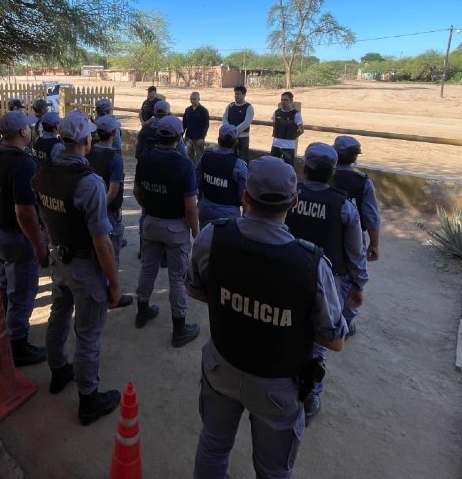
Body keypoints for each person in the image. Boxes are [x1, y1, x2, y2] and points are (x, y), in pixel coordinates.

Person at [188, 156, 347, 479]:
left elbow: (195, 290)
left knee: (213, 446)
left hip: (222, 367)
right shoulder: (311, 263)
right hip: (278, 385)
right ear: (294, 202)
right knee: (273, 470)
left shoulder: (212, 237)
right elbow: (335, 339)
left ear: (245, 197)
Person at [33, 111, 124, 425]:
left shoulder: (43, 171)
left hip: (59, 258)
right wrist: (113, 282)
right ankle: (89, 399)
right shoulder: (89, 182)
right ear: (87, 140)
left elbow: (44, 215)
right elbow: (102, 240)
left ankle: (59, 371)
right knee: (87, 334)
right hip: (85, 265)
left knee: (59, 314)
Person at [285, 142, 368, 424]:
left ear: (304, 167)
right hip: (329, 281)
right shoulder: (343, 206)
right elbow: (356, 251)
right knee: (319, 340)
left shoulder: (289, 194)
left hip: (290, 271)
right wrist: (358, 283)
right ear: (333, 171)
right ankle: (310, 395)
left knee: (289, 327)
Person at [0, 111, 47, 366]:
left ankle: (5, 330)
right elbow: (25, 211)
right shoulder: (23, 164)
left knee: (6, 285)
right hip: (15, 238)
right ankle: (17, 346)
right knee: (22, 292)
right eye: (29, 128)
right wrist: (38, 244)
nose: (31, 131)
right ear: (22, 132)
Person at [133, 115, 201, 347]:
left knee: (148, 268)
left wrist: (150, 207)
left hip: (151, 223)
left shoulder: (145, 159)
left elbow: (137, 193)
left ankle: (142, 309)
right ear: (179, 137)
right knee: (177, 278)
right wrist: (196, 232)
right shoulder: (184, 164)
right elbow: (190, 206)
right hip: (175, 228)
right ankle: (179, 328)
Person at [87, 114, 133, 307]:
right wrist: (99, 210)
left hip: (90, 207)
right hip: (108, 211)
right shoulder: (114, 157)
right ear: (114, 133)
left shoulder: (89, 152)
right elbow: (113, 191)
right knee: (111, 252)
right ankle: (111, 293)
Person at [331, 135, 381, 265]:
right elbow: (372, 217)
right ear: (355, 157)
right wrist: (374, 244)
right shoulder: (363, 182)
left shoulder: (325, 176)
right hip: (354, 236)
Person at [195, 124, 247, 228]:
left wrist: (200, 199)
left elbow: (197, 181)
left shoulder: (205, 157)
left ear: (219, 140)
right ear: (235, 142)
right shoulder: (239, 164)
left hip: (206, 207)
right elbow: (243, 195)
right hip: (228, 212)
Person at [270, 91, 304, 165]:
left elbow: (301, 130)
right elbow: (274, 125)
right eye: (282, 100)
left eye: (285, 100)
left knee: (289, 167)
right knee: (272, 165)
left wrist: (293, 136)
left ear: (291, 101)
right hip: (276, 144)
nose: (283, 102)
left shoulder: (296, 114)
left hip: (289, 146)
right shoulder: (277, 112)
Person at [222, 86, 254, 163]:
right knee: (230, 158)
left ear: (244, 95)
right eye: (235, 94)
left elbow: (247, 122)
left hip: (243, 138)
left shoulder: (249, 107)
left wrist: (234, 130)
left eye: (238, 94)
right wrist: (229, 129)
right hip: (231, 137)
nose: (236, 96)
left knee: (243, 159)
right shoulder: (230, 106)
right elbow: (224, 118)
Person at [183, 92, 210, 163]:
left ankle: (198, 172)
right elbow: (184, 124)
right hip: (188, 137)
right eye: (191, 99)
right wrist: (181, 135)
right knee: (189, 156)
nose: (192, 101)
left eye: (194, 99)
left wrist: (202, 138)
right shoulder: (188, 110)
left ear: (199, 99)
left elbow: (206, 125)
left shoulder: (204, 111)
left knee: (199, 157)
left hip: (199, 138)